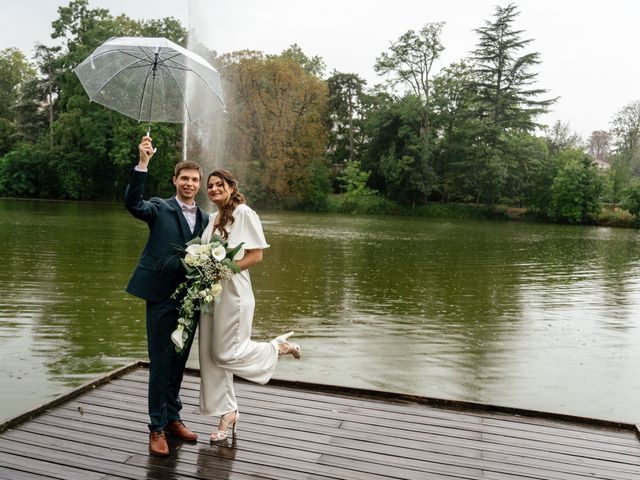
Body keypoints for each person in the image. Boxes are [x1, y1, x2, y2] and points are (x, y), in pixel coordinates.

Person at [199, 169, 301, 443]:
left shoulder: (244, 213)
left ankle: (276, 348)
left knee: (224, 354)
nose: (213, 189)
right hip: (212, 294)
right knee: (210, 358)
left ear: (232, 187)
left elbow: (256, 256)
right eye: (210, 186)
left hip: (234, 293)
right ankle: (227, 411)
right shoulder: (211, 219)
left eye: (219, 184)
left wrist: (225, 270)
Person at [125, 136, 209, 456]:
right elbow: (134, 204)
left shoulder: (205, 220)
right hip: (161, 296)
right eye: (184, 178)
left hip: (191, 300)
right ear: (175, 181)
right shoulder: (160, 207)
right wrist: (143, 162)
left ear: (199, 185)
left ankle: (174, 417)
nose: (189, 183)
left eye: (195, 180)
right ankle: (156, 427)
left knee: (179, 362)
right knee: (161, 362)